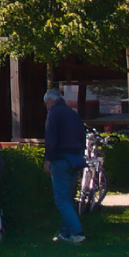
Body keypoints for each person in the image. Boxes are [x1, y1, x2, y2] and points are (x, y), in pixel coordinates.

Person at [43, 88, 85, 244]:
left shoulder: (53, 113)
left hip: (61, 159)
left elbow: (51, 138)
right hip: (76, 159)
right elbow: (82, 135)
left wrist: (48, 159)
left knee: (61, 199)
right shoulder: (73, 114)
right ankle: (65, 233)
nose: (46, 107)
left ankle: (78, 232)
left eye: (46, 103)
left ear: (50, 101)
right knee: (68, 197)